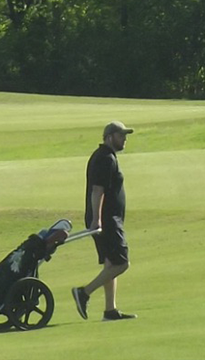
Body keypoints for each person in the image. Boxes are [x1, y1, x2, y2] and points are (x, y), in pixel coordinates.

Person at [72, 121, 137, 321]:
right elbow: (97, 190)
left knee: (111, 264)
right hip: (107, 220)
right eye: (121, 135)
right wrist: (97, 220)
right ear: (109, 137)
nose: (124, 139)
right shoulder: (105, 158)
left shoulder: (105, 156)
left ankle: (110, 310)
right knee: (121, 263)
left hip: (109, 219)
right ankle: (84, 292)